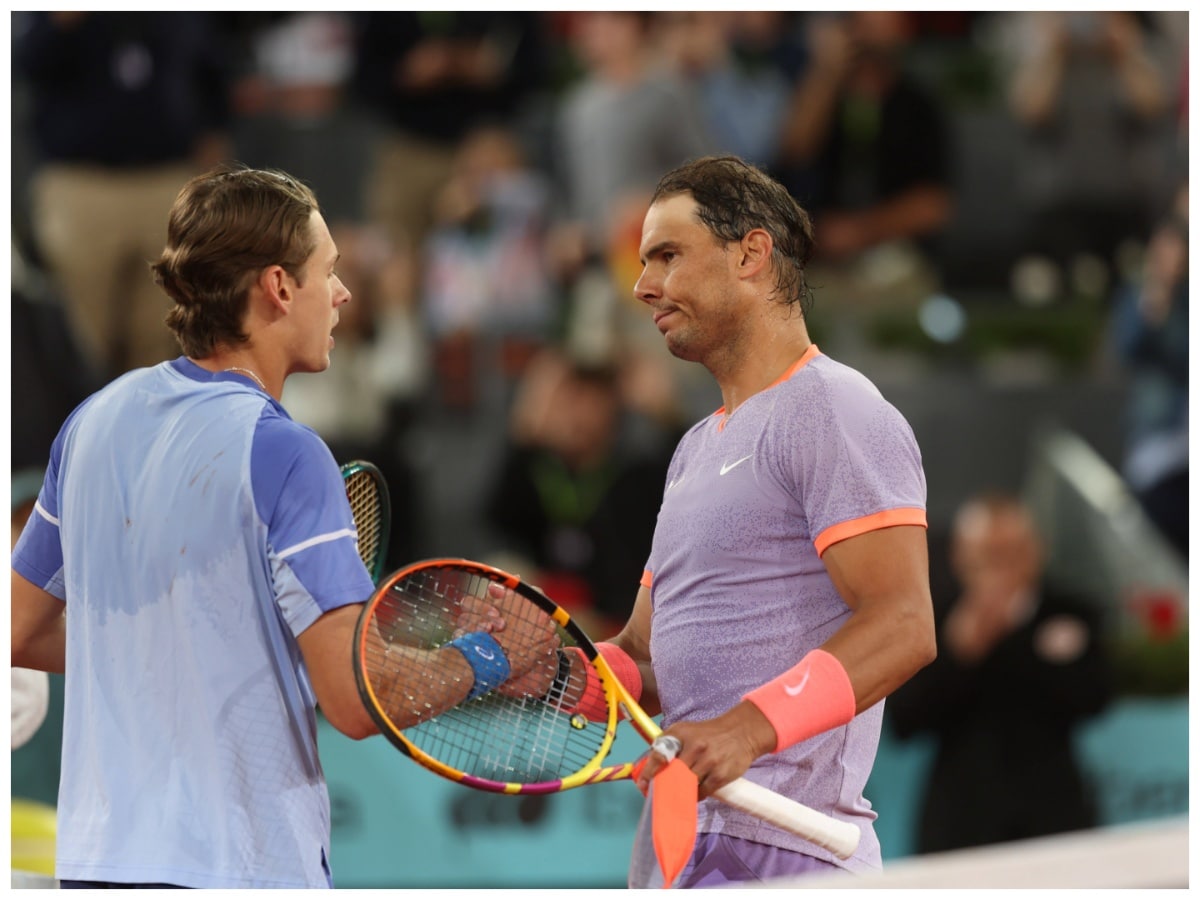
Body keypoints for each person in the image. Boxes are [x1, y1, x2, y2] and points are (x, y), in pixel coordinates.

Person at [10, 164, 556, 889]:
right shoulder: (286, 453)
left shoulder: (92, 422)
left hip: (96, 868)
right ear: (277, 287)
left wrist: (174, 654)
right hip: (239, 869)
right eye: (328, 271)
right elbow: (356, 701)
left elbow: (16, 631)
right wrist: (493, 654)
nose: (343, 293)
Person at [584, 155, 936, 888]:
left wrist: (742, 732)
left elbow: (904, 623)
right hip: (680, 847)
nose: (644, 285)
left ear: (751, 253)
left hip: (790, 853)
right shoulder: (691, 449)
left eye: (668, 256)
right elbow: (648, 656)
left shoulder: (835, 408)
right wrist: (565, 674)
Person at [886, 491, 1114, 853]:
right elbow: (904, 721)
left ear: (1037, 550)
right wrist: (960, 655)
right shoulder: (929, 621)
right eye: (988, 557)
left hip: (1054, 821)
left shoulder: (1072, 612)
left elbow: (1093, 698)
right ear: (960, 558)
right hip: (959, 826)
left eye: (1013, 554)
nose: (1001, 570)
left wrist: (1012, 640)